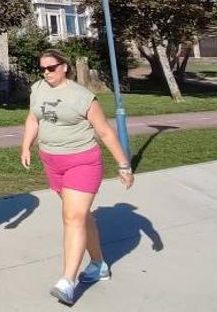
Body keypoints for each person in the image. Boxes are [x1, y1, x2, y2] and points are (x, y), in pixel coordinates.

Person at [19, 49, 135, 305]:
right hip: (52, 162)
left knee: (72, 217)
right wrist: (26, 145)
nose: (46, 72)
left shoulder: (82, 97)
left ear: (65, 67)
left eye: (51, 68)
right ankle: (99, 265)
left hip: (82, 162)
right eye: (43, 68)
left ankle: (67, 281)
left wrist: (123, 165)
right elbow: (32, 118)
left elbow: (104, 132)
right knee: (82, 217)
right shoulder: (38, 88)